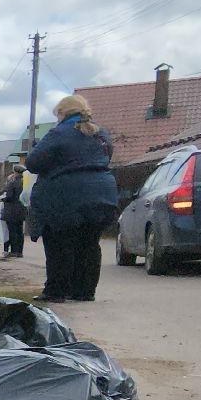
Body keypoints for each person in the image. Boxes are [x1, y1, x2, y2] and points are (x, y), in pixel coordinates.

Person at [25, 94, 119, 302]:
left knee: (59, 242)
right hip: (103, 195)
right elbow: (106, 157)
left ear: (62, 113)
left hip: (65, 197)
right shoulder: (101, 134)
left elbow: (33, 162)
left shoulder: (59, 133)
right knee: (90, 243)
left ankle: (56, 291)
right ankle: (85, 291)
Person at [0, 164, 27, 258]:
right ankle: (20, 251)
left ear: (15, 172)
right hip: (22, 210)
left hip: (12, 210)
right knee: (20, 231)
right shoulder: (25, 183)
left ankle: (14, 250)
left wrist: (3, 199)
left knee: (12, 230)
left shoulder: (12, 183)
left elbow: (9, 196)